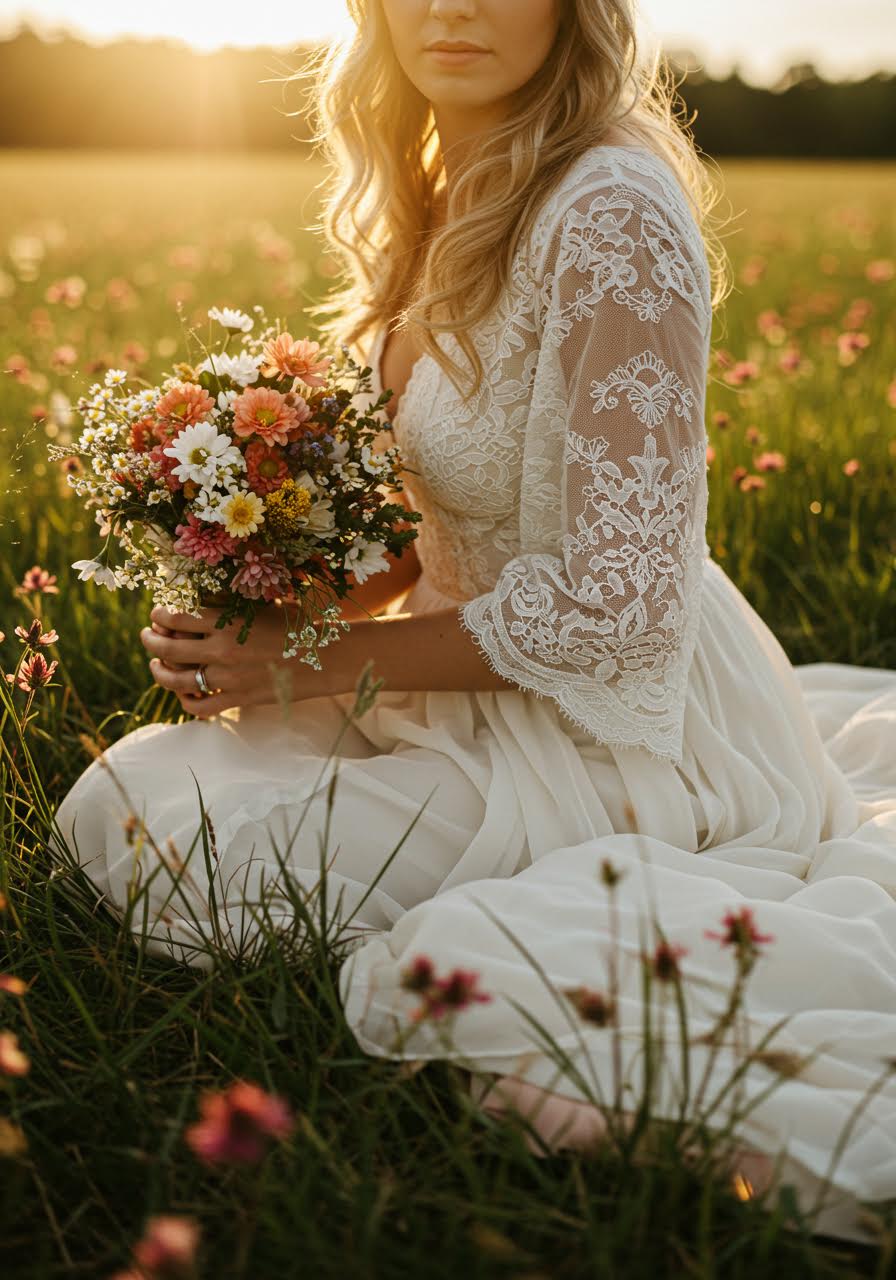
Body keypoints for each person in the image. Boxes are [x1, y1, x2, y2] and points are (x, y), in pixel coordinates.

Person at [52, 0, 896, 1245]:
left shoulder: (609, 213)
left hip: (615, 722)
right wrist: (261, 624)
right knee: (136, 805)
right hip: (457, 672)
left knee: (259, 883)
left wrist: (308, 664)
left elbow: (617, 608)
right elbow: (440, 510)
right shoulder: (449, 181)